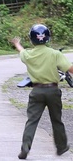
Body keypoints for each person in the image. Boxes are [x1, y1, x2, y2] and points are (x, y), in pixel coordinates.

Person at [11, 24, 73, 159]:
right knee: (56, 120)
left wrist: (17, 43)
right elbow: (70, 69)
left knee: (32, 120)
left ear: (32, 39)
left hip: (37, 91)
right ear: (47, 38)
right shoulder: (55, 54)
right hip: (53, 90)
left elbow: (21, 51)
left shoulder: (29, 54)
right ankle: (61, 146)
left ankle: (25, 147)